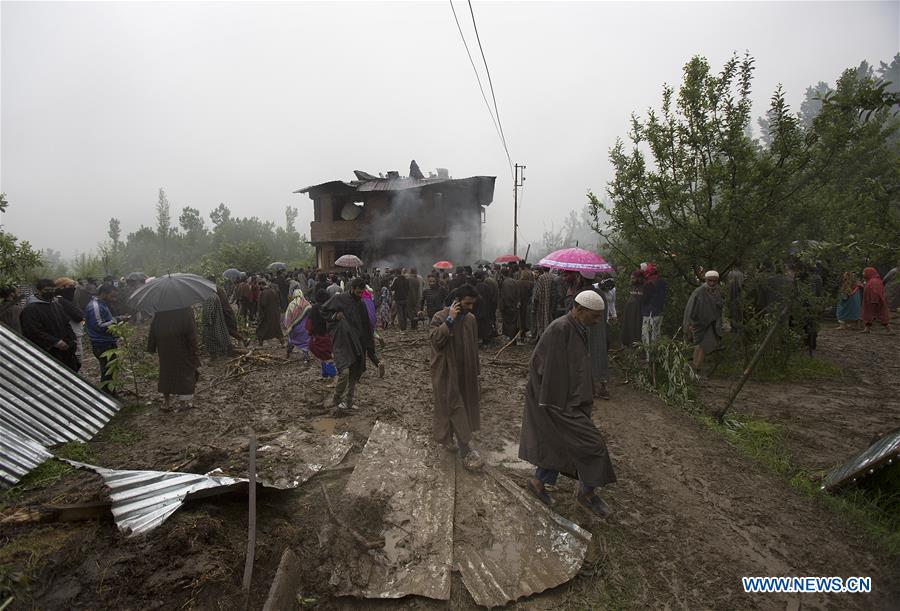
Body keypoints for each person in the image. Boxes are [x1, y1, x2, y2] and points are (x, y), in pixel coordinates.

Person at [518, 290, 616, 517]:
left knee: (558, 443)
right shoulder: (560, 329)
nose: (598, 321)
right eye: (594, 316)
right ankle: (587, 494)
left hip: (568, 401)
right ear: (579, 309)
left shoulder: (578, 327)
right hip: (557, 402)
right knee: (593, 445)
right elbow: (548, 370)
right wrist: (559, 406)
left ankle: (538, 484)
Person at [429, 284, 484, 469]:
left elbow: (474, 347)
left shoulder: (471, 319)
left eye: (472, 304)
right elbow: (436, 340)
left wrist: (476, 370)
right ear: (457, 302)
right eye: (467, 304)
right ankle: (464, 447)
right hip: (446, 372)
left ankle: (457, 441)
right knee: (451, 405)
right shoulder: (440, 317)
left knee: (463, 406)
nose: (470, 307)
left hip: (465, 372)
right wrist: (450, 321)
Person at [323, 278, 385, 413]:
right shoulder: (340, 299)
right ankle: (336, 398)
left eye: (362, 292)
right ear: (352, 288)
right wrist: (335, 316)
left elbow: (365, 326)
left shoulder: (361, 304)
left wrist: (369, 343)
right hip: (341, 341)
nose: (360, 295)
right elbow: (324, 311)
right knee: (344, 372)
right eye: (358, 292)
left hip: (357, 343)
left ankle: (349, 401)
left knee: (354, 374)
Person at [20, 279, 80, 371]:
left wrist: (72, 340)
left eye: (52, 290)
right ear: (39, 291)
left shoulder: (56, 305)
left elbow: (66, 323)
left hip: (65, 351)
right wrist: (55, 342)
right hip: (47, 352)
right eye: (46, 290)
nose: (50, 293)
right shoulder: (31, 309)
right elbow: (32, 331)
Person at [147, 307, 201, 410]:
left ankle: (167, 403)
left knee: (166, 373)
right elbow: (191, 330)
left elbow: (153, 329)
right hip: (182, 346)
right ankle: (183, 404)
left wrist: (152, 347)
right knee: (185, 373)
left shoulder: (160, 311)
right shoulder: (185, 309)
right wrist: (194, 347)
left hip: (164, 347)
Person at [84, 283, 129, 392]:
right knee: (107, 372)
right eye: (112, 296)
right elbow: (99, 325)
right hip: (101, 344)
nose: (114, 299)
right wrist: (118, 320)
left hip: (108, 341)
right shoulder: (95, 306)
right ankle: (107, 395)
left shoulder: (103, 304)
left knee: (111, 371)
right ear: (104, 294)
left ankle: (111, 393)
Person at [683, 270, 724, 374]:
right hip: (698, 323)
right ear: (706, 280)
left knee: (703, 345)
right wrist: (689, 324)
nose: (712, 283)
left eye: (714, 281)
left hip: (711, 324)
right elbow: (690, 308)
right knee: (699, 345)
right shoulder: (699, 291)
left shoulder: (717, 291)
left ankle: (697, 367)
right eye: (710, 280)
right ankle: (695, 367)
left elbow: (719, 307)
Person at [55, 277, 87, 368]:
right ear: (61, 287)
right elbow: (78, 315)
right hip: (72, 334)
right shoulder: (60, 300)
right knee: (76, 359)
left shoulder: (65, 300)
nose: (73, 288)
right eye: (70, 286)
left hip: (73, 333)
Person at [306, 290, 336, 379]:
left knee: (325, 357)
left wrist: (310, 332)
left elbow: (309, 325)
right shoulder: (330, 308)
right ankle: (325, 374)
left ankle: (333, 376)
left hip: (317, 337)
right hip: (329, 336)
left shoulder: (314, 308)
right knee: (325, 355)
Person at [640, 263, 666, 360]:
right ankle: (657, 358)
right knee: (656, 335)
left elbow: (644, 300)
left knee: (647, 337)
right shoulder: (662, 282)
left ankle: (649, 359)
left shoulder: (649, 284)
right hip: (659, 312)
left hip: (649, 313)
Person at [861, 267, 893, 334]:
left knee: (881, 315)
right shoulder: (871, 280)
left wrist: (874, 300)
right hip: (870, 302)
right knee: (868, 315)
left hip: (875, 302)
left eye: (864, 272)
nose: (863, 273)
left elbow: (876, 292)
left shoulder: (874, 281)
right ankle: (867, 329)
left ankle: (890, 330)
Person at [283, 288, 312, 359]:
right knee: (305, 342)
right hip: (304, 329)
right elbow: (311, 315)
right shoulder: (307, 303)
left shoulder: (291, 304)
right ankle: (306, 357)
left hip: (294, 328)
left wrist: (288, 326)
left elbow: (287, 317)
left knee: (291, 340)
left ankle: (288, 353)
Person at [256, 280, 284, 346]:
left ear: (262, 285)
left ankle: (260, 343)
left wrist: (260, 314)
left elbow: (263, 304)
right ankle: (282, 342)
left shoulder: (263, 293)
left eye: (259, 285)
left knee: (262, 329)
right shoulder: (273, 291)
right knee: (277, 329)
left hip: (266, 315)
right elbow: (279, 301)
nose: (259, 287)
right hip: (275, 314)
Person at [532, 267, 555, 339]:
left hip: (542, 303)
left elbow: (538, 292)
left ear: (542, 269)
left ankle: (542, 336)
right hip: (551, 302)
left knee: (542, 319)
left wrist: (535, 301)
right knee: (550, 318)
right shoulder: (553, 276)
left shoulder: (541, 278)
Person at [499, 268, 520, 342]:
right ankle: (513, 338)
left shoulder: (505, 283)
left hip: (509, 306)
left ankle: (512, 339)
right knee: (513, 322)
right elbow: (517, 293)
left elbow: (507, 296)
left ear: (502, 274)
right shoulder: (514, 281)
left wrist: (506, 305)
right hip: (514, 305)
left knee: (509, 323)